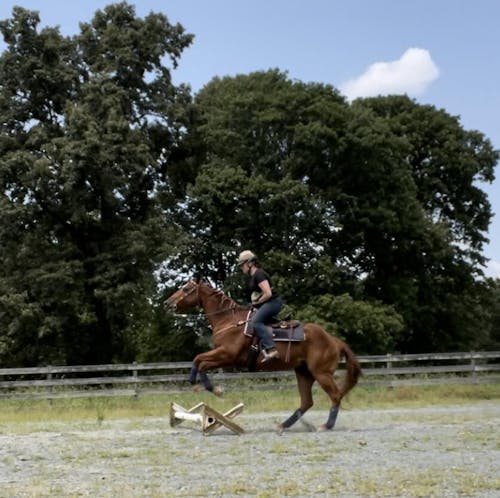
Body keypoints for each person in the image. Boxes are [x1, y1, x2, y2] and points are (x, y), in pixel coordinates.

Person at [237, 250, 282, 362]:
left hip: (273, 303)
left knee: (256, 322)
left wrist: (256, 303)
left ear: (250, 263)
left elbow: (268, 293)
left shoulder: (259, 274)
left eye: (242, 264)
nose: (241, 267)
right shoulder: (253, 276)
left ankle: (272, 349)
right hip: (266, 303)